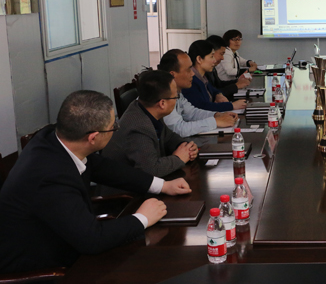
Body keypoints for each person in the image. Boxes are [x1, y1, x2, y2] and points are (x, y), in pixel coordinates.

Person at [0, 90, 192, 274]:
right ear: (93, 137)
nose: (116, 129)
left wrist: (162, 185)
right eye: (113, 127)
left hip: (67, 236)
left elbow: (103, 167)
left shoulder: (55, 136)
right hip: (44, 266)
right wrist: (142, 218)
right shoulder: (50, 178)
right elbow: (91, 240)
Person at [102, 70, 199, 178]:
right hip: (126, 187)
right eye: (176, 97)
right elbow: (152, 170)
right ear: (162, 103)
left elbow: (169, 137)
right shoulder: (138, 127)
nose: (177, 100)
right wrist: (179, 158)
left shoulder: (147, 109)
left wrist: (186, 147)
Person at [159, 49, 238, 137]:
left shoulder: (177, 92)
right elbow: (178, 128)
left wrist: (217, 115)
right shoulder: (163, 95)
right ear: (172, 75)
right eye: (188, 70)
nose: (192, 74)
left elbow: (192, 113)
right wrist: (215, 122)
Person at [183, 40, 248, 112]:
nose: (214, 60)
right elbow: (202, 107)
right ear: (199, 59)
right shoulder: (191, 81)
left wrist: (218, 94)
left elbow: (213, 89)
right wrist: (231, 106)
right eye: (211, 57)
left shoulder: (203, 77)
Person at [205, 35, 251, 99]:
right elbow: (213, 94)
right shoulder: (203, 73)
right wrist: (236, 86)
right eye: (221, 54)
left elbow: (219, 84)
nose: (222, 58)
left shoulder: (212, 68)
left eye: (239, 39)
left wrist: (237, 81)